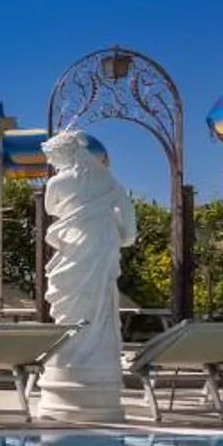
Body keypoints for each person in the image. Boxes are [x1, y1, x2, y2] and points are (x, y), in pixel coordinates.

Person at [36, 128, 136, 418]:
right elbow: (126, 208)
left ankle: (73, 358)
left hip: (74, 244)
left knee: (70, 300)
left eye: (52, 156)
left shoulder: (57, 183)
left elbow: (52, 208)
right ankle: (97, 362)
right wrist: (126, 235)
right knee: (99, 300)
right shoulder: (106, 177)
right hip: (102, 240)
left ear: (64, 153)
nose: (51, 163)